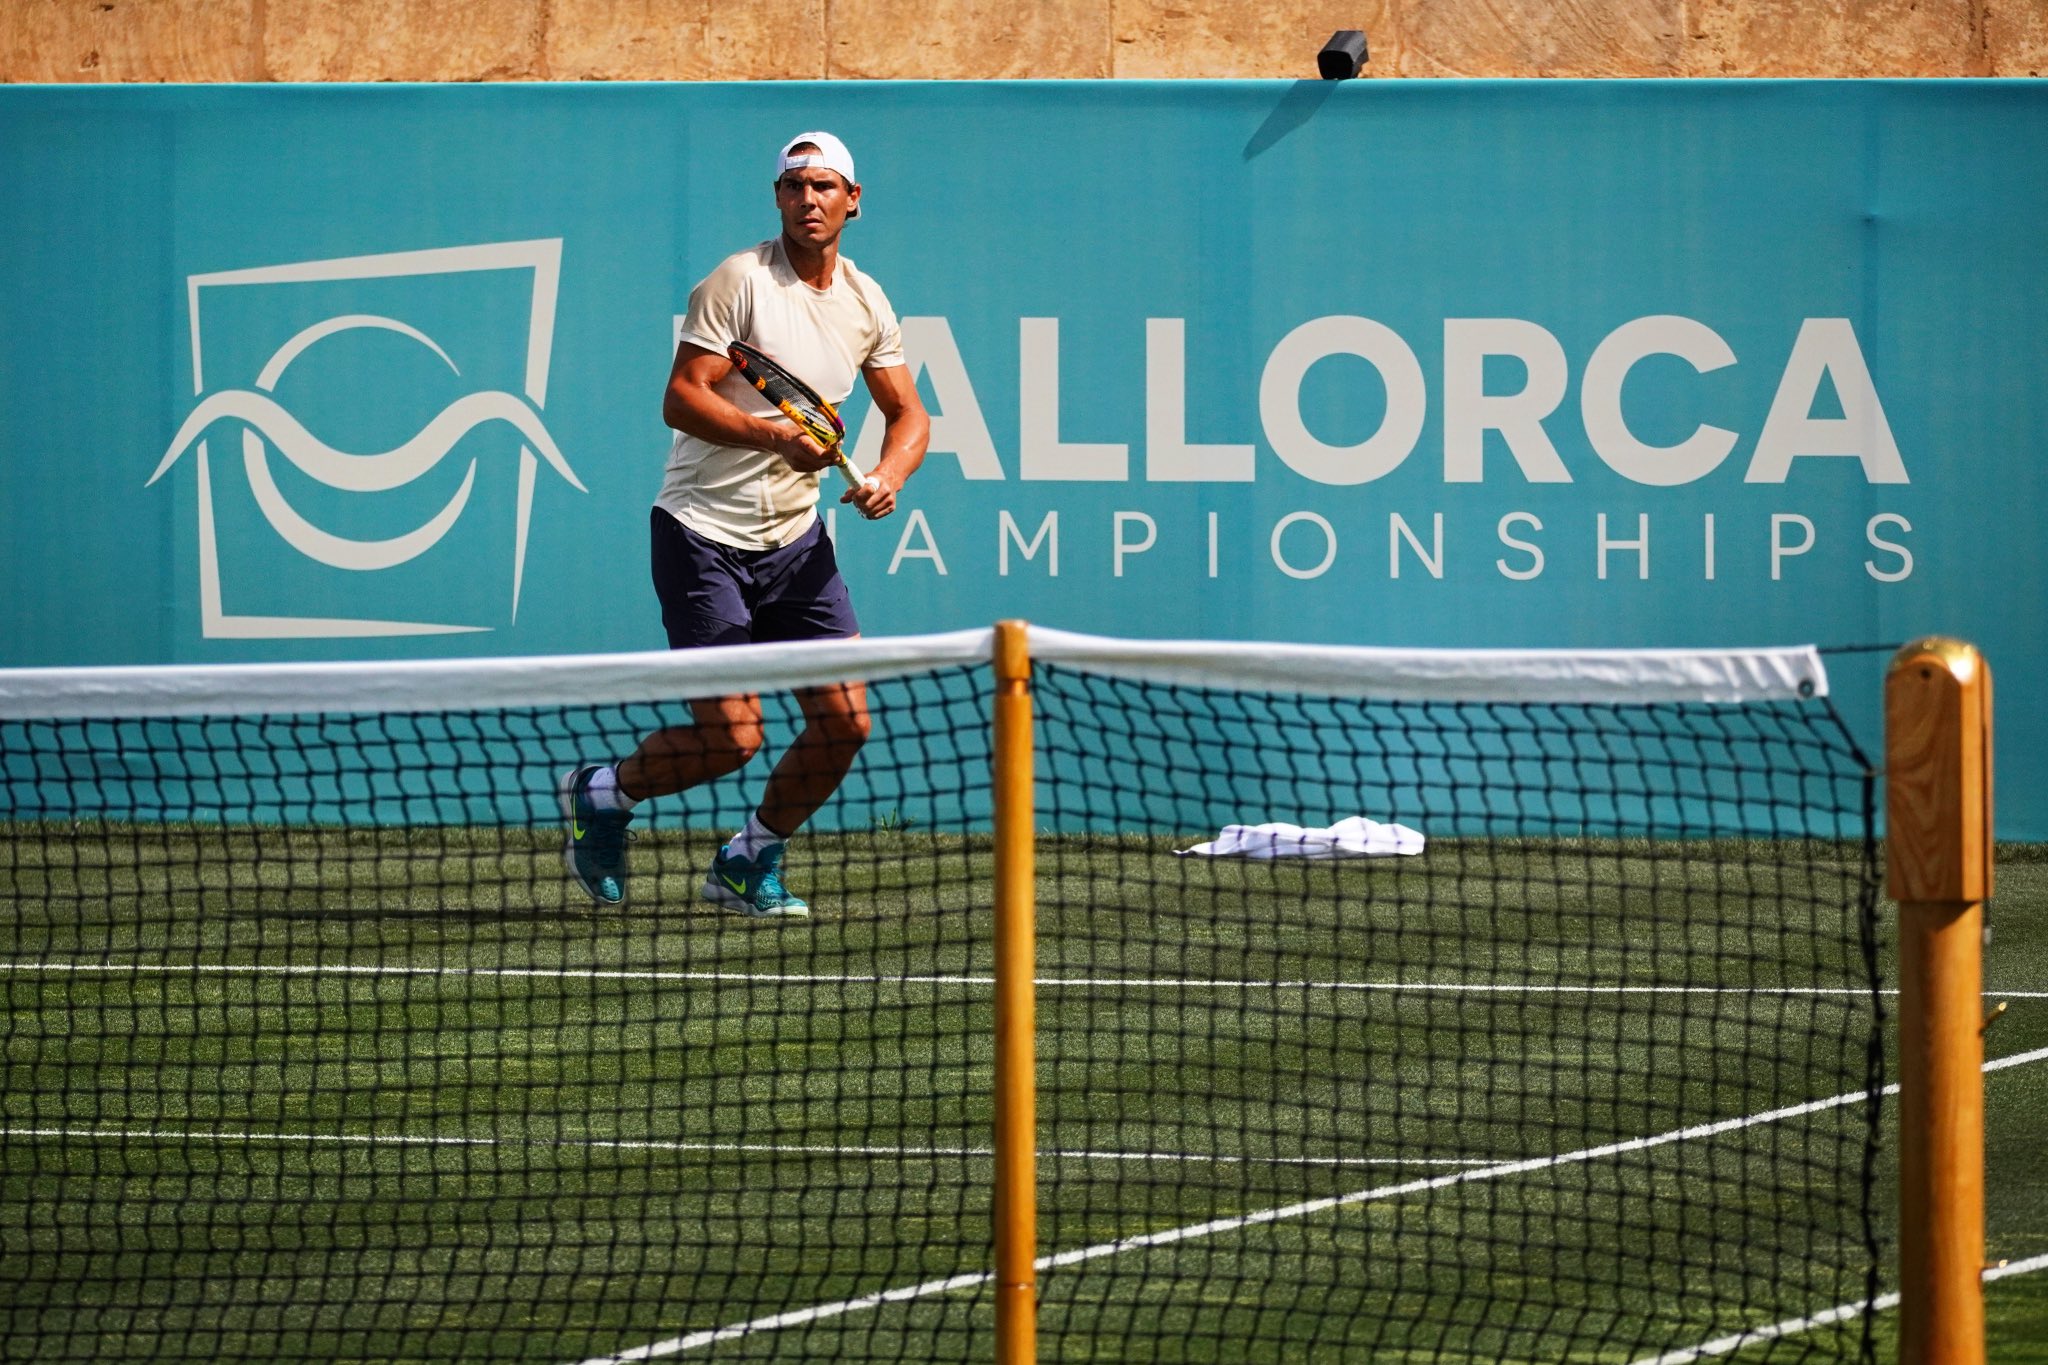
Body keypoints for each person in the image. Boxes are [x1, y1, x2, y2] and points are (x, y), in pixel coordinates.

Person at [561, 130, 930, 919]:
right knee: (733, 737)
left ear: (852, 200)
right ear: (778, 198)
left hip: (796, 545)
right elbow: (682, 395)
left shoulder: (867, 302)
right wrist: (773, 435)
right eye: (795, 187)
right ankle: (603, 792)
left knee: (845, 724)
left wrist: (888, 477)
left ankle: (746, 860)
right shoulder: (739, 282)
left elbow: (908, 414)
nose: (809, 200)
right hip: (702, 534)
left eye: (825, 187)